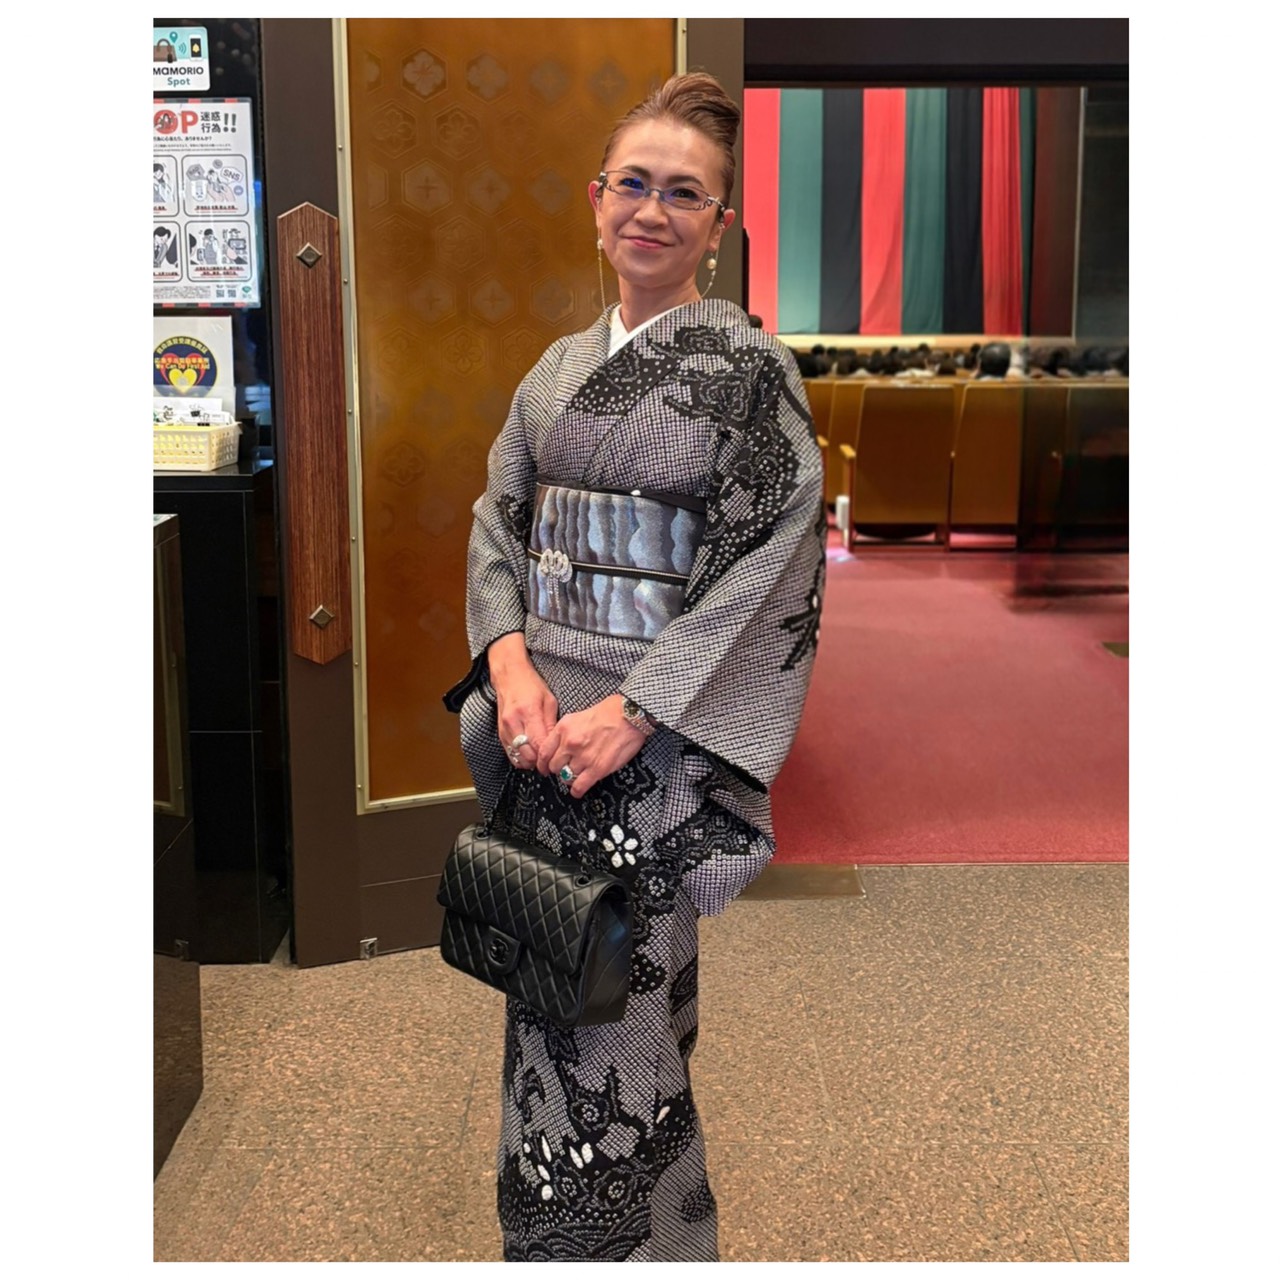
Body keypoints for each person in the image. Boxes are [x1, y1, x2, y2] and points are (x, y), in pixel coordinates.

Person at [449, 70, 825, 1263]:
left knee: (622, 1013)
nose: (650, 211)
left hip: (648, 747)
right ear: (595, 199)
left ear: (719, 226)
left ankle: (627, 1242)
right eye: (632, 184)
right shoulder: (556, 367)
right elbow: (497, 523)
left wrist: (639, 707)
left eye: (683, 193)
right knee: (550, 990)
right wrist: (508, 663)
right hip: (541, 737)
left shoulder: (750, 374)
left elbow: (767, 565)